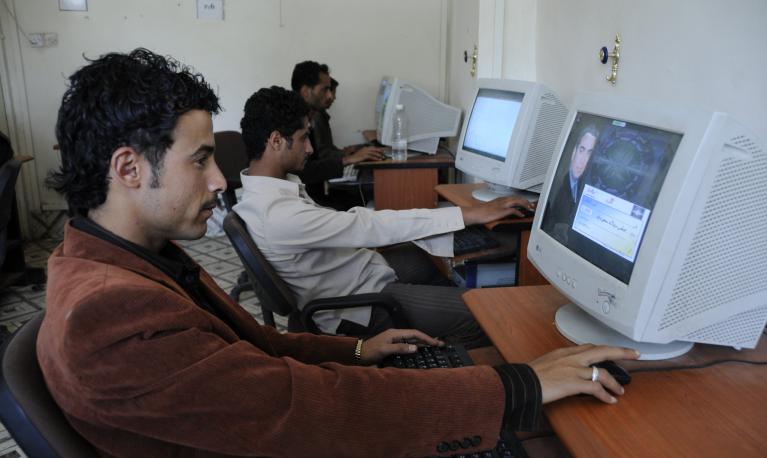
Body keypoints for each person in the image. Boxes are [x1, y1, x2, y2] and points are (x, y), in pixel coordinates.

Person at [38, 48, 638, 457]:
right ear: (128, 167)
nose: (220, 181)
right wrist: (519, 387)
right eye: (199, 160)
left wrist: (356, 348)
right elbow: (310, 410)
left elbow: (257, 349)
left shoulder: (123, 261)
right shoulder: (108, 316)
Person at [238, 86, 530, 347]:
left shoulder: (261, 196)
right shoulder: (277, 214)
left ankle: (436, 306)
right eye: (303, 139)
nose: (310, 148)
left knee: (428, 257)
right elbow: (369, 226)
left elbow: (361, 227)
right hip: (359, 304)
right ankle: (431, 365)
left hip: (358, 273)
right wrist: (467, 213)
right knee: (484, 314)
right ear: (276, 141)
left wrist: (462, 218)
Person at [291, 61, 383, 208]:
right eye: (325, 89)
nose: (330, 95)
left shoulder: (307, 118)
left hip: (314, 195)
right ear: (306, 92)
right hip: (308, 201)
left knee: (367, 194)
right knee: (366, 197)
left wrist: (347, 157)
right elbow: (304, 172)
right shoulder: (291, 124)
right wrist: (347, 159)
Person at [543, 125, 599, 241]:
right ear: (574, 152)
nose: (583, 160)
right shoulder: (559, 184)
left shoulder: (586, 189)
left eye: (589, 153)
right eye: (581, 150)